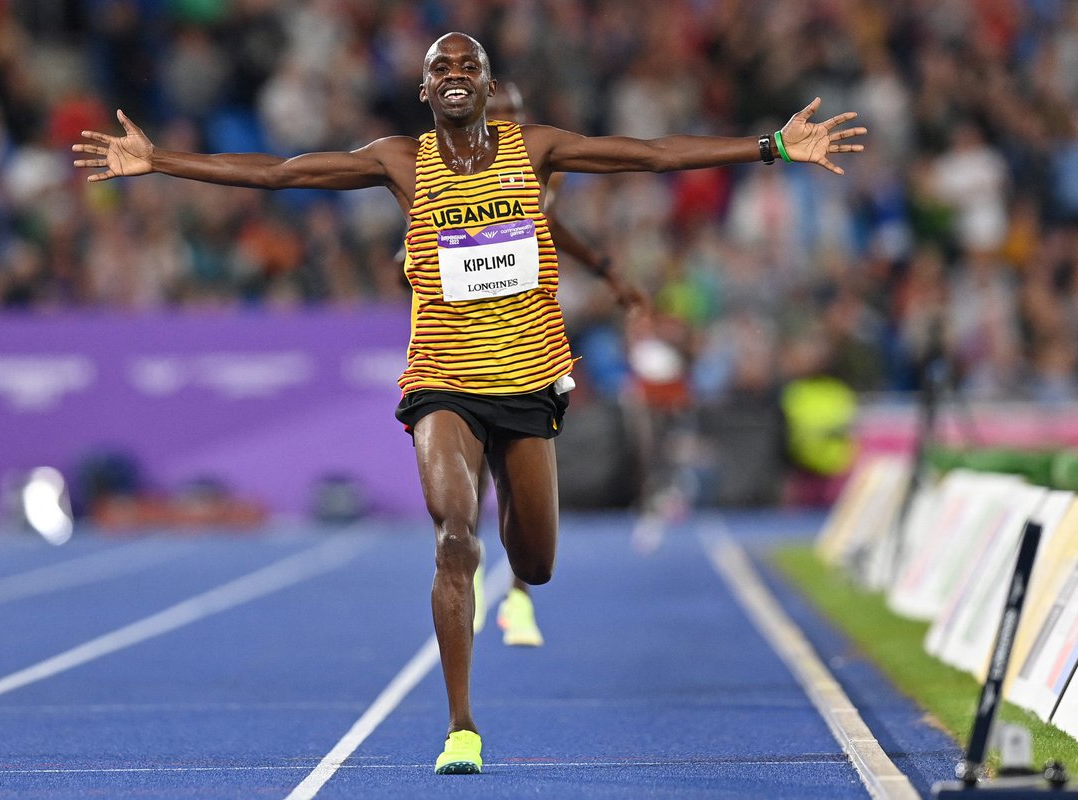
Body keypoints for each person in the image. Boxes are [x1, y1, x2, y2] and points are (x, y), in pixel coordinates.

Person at [73, 31, 865, 775]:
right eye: (441, 68)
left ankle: (510, 553)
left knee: (537, 565)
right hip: (443, 382)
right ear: (424, 89)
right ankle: (461, 725)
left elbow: (653, 156)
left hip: (525, 383)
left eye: (468, 67)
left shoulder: (537, 150)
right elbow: (282, 172)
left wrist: (770, 146)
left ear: (489, 87)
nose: (454, 76)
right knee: (455, 535)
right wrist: (160, 162)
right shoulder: (399, 161)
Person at [472, 80, 646, 648]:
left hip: (527, 336)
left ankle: (518, 597)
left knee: (527, 478)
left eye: (513, 114)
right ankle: (469, 571)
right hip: (465, 340)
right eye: (493, 113)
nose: (504, 123)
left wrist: (604, 267)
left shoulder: (540, 162)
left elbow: (548, 224)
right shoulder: (449, 161)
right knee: (472, 470)